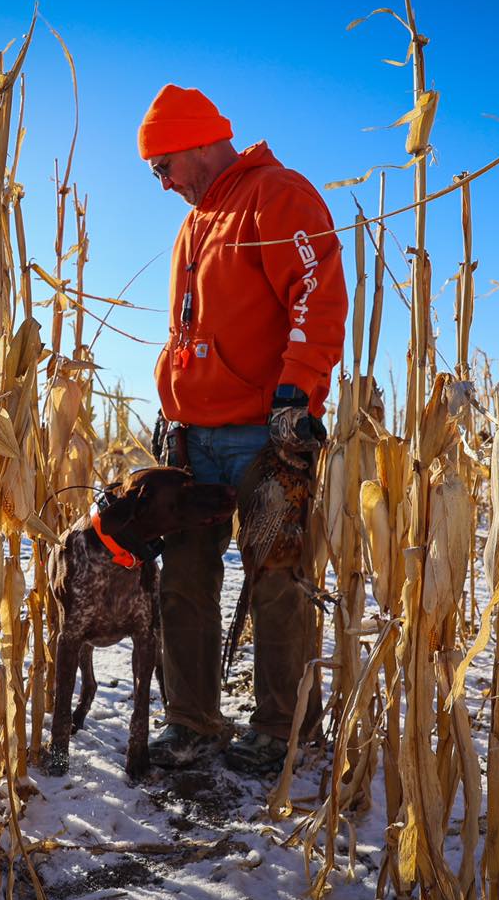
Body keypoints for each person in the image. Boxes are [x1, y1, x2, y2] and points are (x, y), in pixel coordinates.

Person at [137, 84, 348, 774]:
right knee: (184, 582)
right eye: (154, 175)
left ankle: (283, 729)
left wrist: (296, 398)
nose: (162, 185)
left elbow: (317, 299)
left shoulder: (275, 195)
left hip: (261, 436)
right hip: (194, 439)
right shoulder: (195, 222)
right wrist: (172, 419)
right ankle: (192, 721)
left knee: (276, 583)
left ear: (199, 142)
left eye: (163, 168)